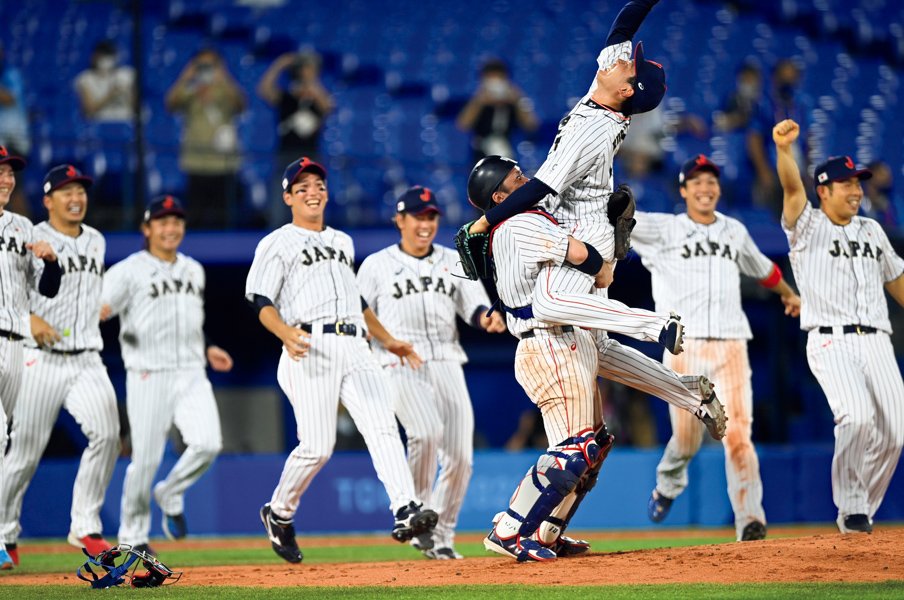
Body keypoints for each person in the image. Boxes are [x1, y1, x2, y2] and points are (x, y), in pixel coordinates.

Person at [466, 156, 727, 562]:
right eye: (515, 177)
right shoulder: (516, 224)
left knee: (593, 446)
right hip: (547, 342)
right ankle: (508, 530)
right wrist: (607, 246)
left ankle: (549, 532)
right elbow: (585, 259)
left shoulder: (532, 217)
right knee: (574, 448)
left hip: (570, 337)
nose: (527, 177)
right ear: (499, 197)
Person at [244, 157, 438, 564]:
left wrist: (390, 341)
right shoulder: (277, 242)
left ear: (327, 193)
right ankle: (279, 512)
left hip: (356, 346)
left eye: (317, 185)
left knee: (383, 427)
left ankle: (405, 508)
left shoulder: (341, 241)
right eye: (302, 188)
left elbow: (359, 303)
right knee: (317, 447)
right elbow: (260, 301)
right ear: (288, 198)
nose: (312, 192)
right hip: (308, 344)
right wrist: (283, 333)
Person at [632, 154, 802, 541]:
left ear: (719, 189)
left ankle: (750, 519)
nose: (705, 188)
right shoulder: (663, 229)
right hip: (683, 348)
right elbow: (617, 217)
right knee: (688, 439)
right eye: (696, 182)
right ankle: (669, 484)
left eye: (711, 181)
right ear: (683, 190)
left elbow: (764, 270)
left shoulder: (734, 231)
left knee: (738, 434)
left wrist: (789, 293)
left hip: (731, 345)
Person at [357, 186, 506, 560]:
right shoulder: (375, 265)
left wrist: (488, 318)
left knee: (460, 457)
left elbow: (474, 306)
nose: (425, 224)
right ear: (400, 220)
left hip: (447, 359)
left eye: (431, 217)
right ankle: (417, 513)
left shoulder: (453, 258)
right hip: (399, 360)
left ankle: (441, 536)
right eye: (418, 217)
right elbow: (358, 312)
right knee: (424, 431)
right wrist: (386, 343)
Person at [773, 118, 904, 534]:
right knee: (856, 418)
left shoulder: (872, 229)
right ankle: (851, 509)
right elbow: (792, 188)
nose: (856, 190)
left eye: (858, 183)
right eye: (847, 183)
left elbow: (897, 281)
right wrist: (783, 151)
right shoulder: (807, 225)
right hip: (831, 341)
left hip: (878, 341)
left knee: (895, 435)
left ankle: (860, 510)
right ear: (824, 190)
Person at [0, 165, 120, 565]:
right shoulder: (31, 234)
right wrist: (29, 317)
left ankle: (85, 525)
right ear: (48, 200)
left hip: (86, 356)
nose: (76, 197)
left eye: (81, 191)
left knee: (107, 434)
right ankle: (4, 533)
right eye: (66, 191)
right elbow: (18, 286)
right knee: (23, 455)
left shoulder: (98, 241)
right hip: (40, 357)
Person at [101, 195, 233, 555]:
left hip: (191, 370)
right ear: (147, 229)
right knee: (145, 458)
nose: (171, 227)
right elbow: (99, 307)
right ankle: (132, 535)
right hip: (148, 373)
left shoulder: (194, 269)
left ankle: (170, 492)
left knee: (208, 443)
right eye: (162, 221)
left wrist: (207, 347)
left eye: (176, 221)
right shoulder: (128, 270)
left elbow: (188, 320)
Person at [0, 147, 61, 569]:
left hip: (15, 343)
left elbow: (49, 290)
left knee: (7, 441)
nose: (6, 179)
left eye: (9, 173)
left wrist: (52, 262)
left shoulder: (23, 226)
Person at [165, 48, 246, 230]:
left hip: (222, 163)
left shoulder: (225, 89)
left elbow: (241, 105)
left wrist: (224, 76)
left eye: (211, 65)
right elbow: (170, 104)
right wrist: (186, 76)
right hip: (196, 162)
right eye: (202, 65)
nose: (206, 69)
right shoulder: (190, 89)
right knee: (195, 219)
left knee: (223, 219)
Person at [257, 50, 334, 227]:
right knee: (279, 202)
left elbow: (328, 106)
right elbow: (264, 90)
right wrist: (280, 64)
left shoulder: (317, 97)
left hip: (310, 156)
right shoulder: (287, 97)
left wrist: (311, 81)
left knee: (312, 200)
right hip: (286, 155)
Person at [456, 58, 539, 162]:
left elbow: (531, 125)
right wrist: (479, 101)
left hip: (506, 151)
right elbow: (463, 124)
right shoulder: (477, 101)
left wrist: (518, 99)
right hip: (481, 153)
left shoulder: (513, 101)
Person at [0, 42, 32, 217]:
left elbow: (9, 98)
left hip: (14, 142)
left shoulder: (11, 75)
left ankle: (27, 236)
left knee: (15, 190)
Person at [74, 40, 135, 123]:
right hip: (100, 123)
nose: (106, 60)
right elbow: (89, 110)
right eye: (102, 56)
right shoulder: (85, 78)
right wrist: (110, 95)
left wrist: (127, 93)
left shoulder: (126, 74)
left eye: (109, 56)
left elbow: (136, 107)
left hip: (127, 121)